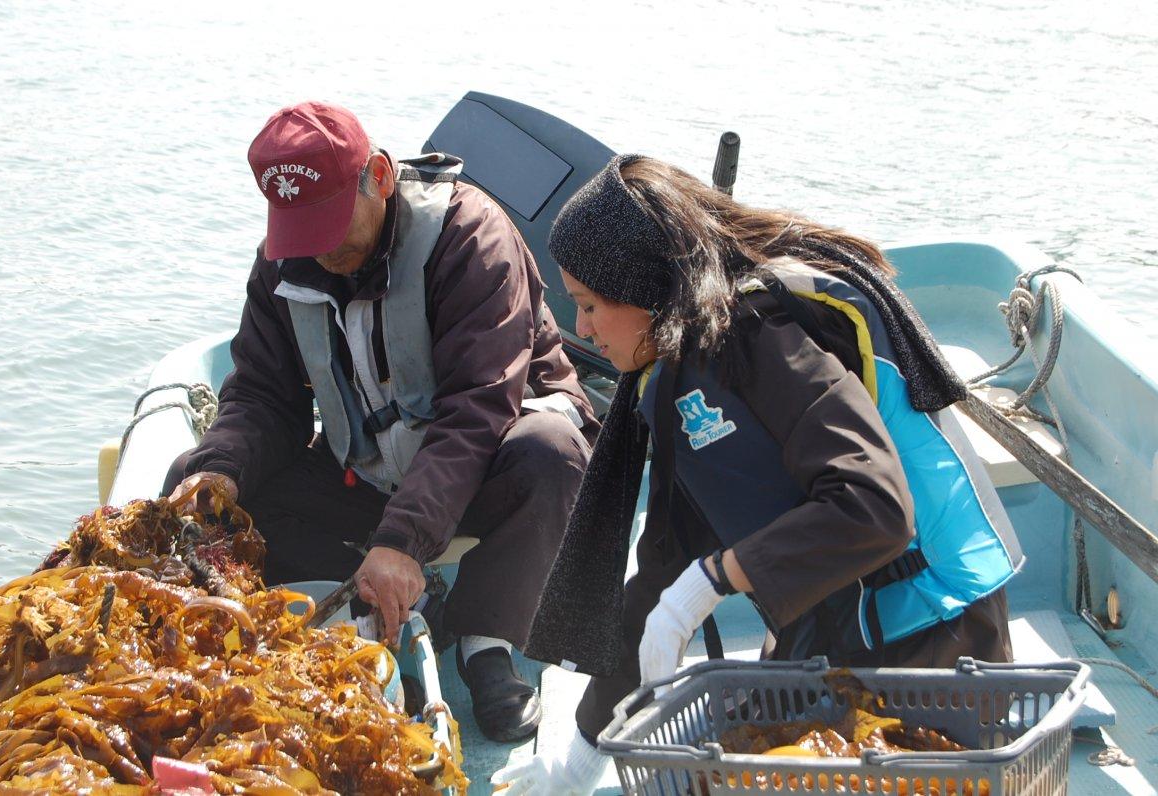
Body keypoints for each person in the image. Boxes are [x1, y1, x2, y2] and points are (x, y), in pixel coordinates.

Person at [496, 154, 1021, 792]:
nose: (581, 328)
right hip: (850, 634)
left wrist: (711, 582)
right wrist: (578, 758)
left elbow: (875, 508)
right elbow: (663, 569)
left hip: (936, 648)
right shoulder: (682, 374)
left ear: (644, 289)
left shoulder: (759, 339)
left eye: (588, 304)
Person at [164, 101, 599, 743]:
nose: (322, 248)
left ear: (380, 175)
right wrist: (220, 470)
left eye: (333, 222)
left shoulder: (471, 239)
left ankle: (487, 641)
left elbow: (479, 408)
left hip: (488, 462)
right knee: (211, 490)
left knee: (553, 449)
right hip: (369, 474)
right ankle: (418, 603)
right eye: (301, 229)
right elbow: (261, 395)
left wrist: (402, 540)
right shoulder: (286, 263)